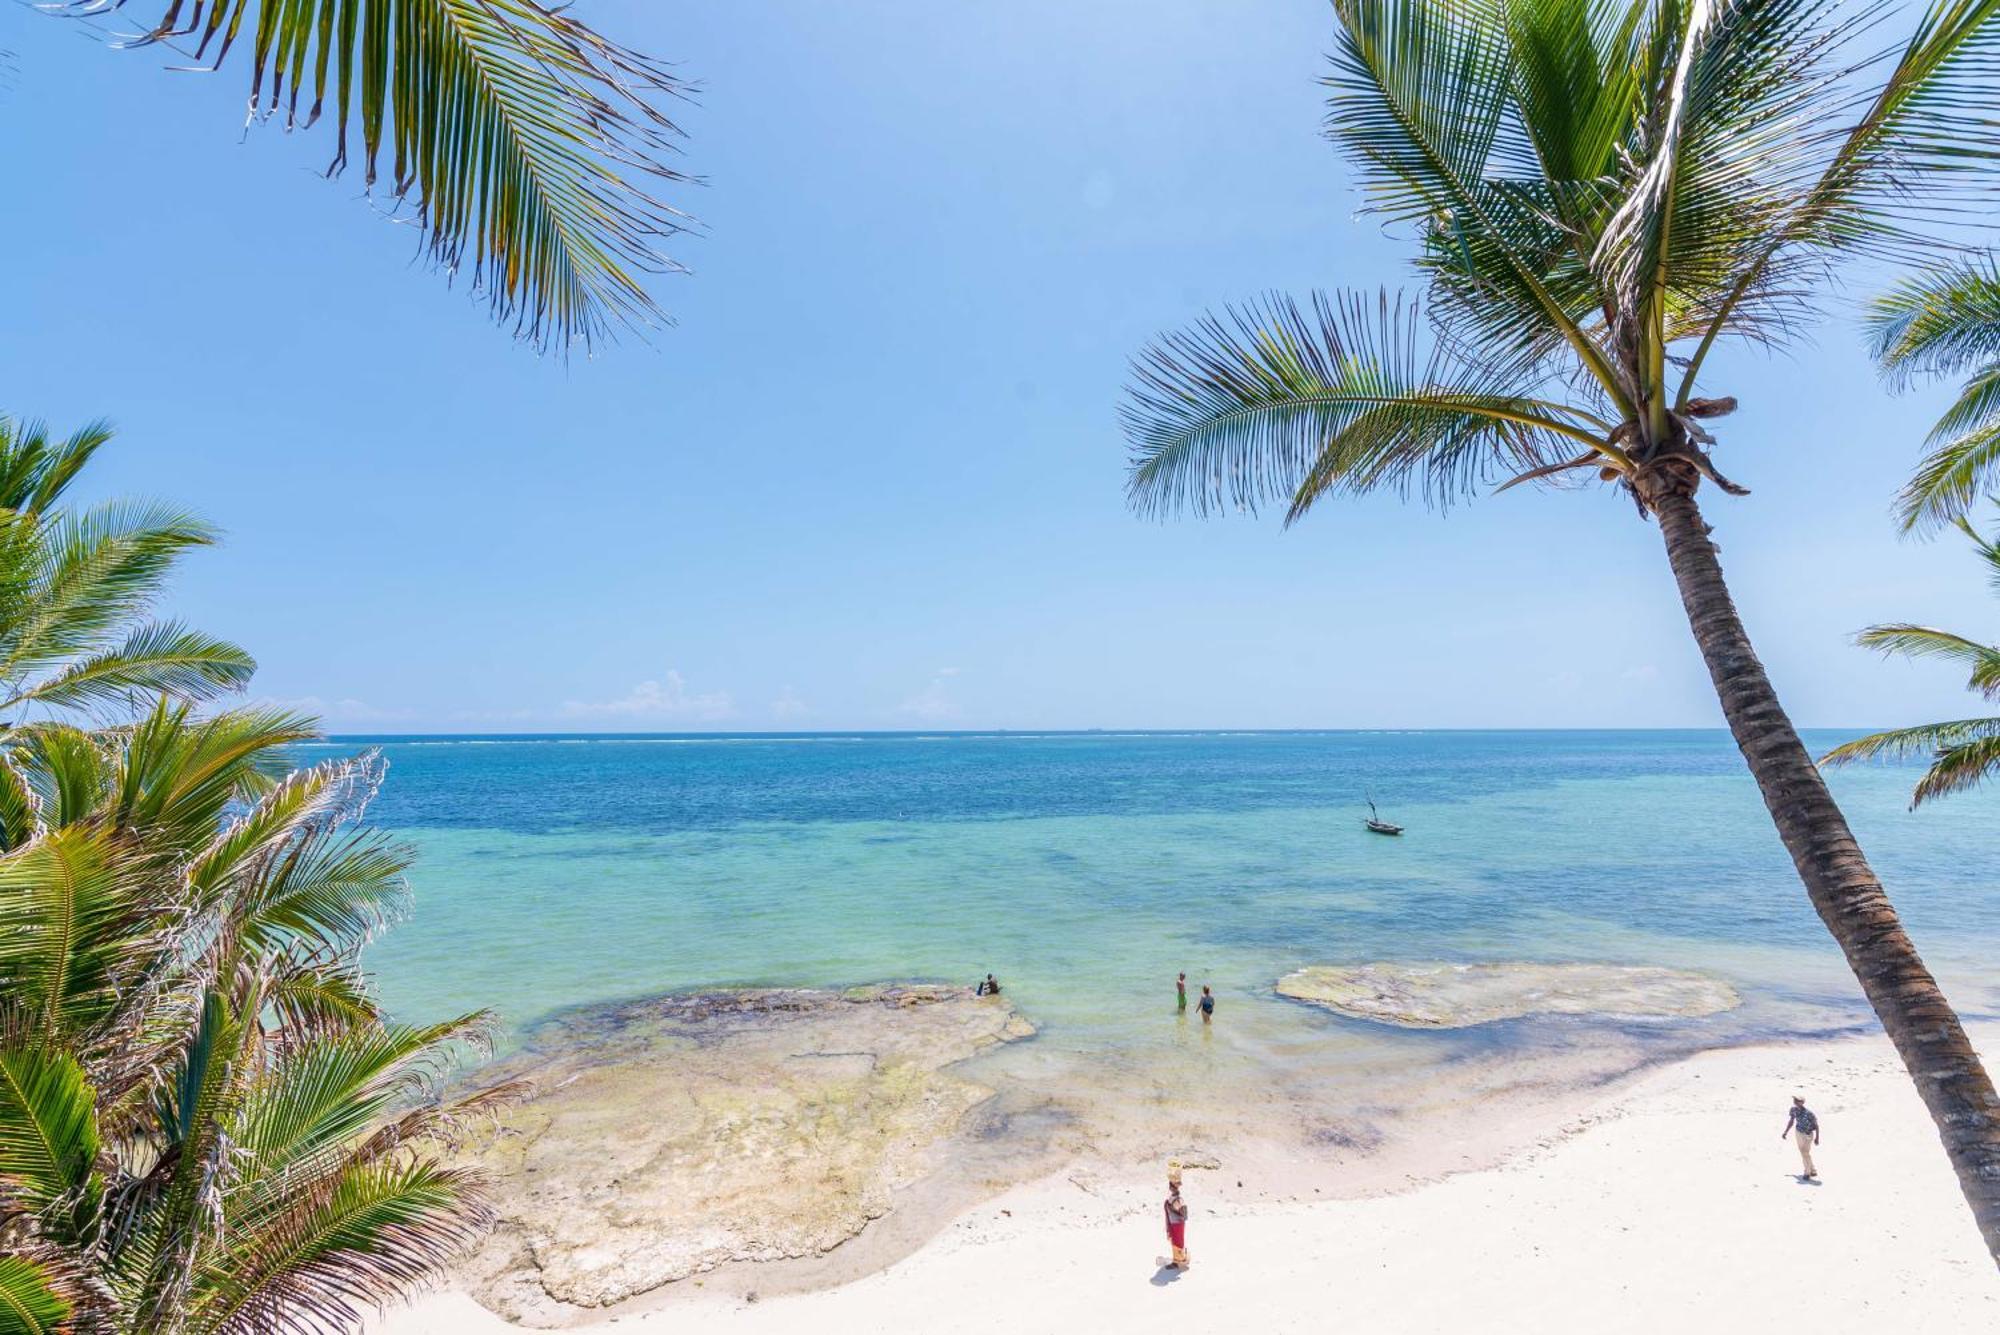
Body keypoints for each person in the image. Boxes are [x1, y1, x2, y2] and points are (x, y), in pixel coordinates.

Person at [1781, 1095, 1821, 1179]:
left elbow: (1816, 1126)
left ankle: (1807, 1173)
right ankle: (1813, 1170)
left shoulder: (1809, 1113)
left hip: (1808, 1134)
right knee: (1804, 1153)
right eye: (1795, 1100)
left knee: (1804, 1152)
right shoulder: (1793, 1110)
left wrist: (1817, 1138)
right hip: (1798, 1133)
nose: (1795, 1101)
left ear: (1802, 1102)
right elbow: (1791, 1121)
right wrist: (1786, 1132)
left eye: (1797, 1100)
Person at [1164, 1169, 1190, 1269]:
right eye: (1170, 1185)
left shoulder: (1179, 1199)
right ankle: (1177, 1260)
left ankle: (1180, 1260)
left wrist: (1173, 1209)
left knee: (1177, 1242)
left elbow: (1184, 1214)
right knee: (1174, 1241)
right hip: (1173, 1223)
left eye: (1171, 1185)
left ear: (1174, 1188)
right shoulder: (1172, 1197)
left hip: (1177, 1224)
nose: (1170, 1187)